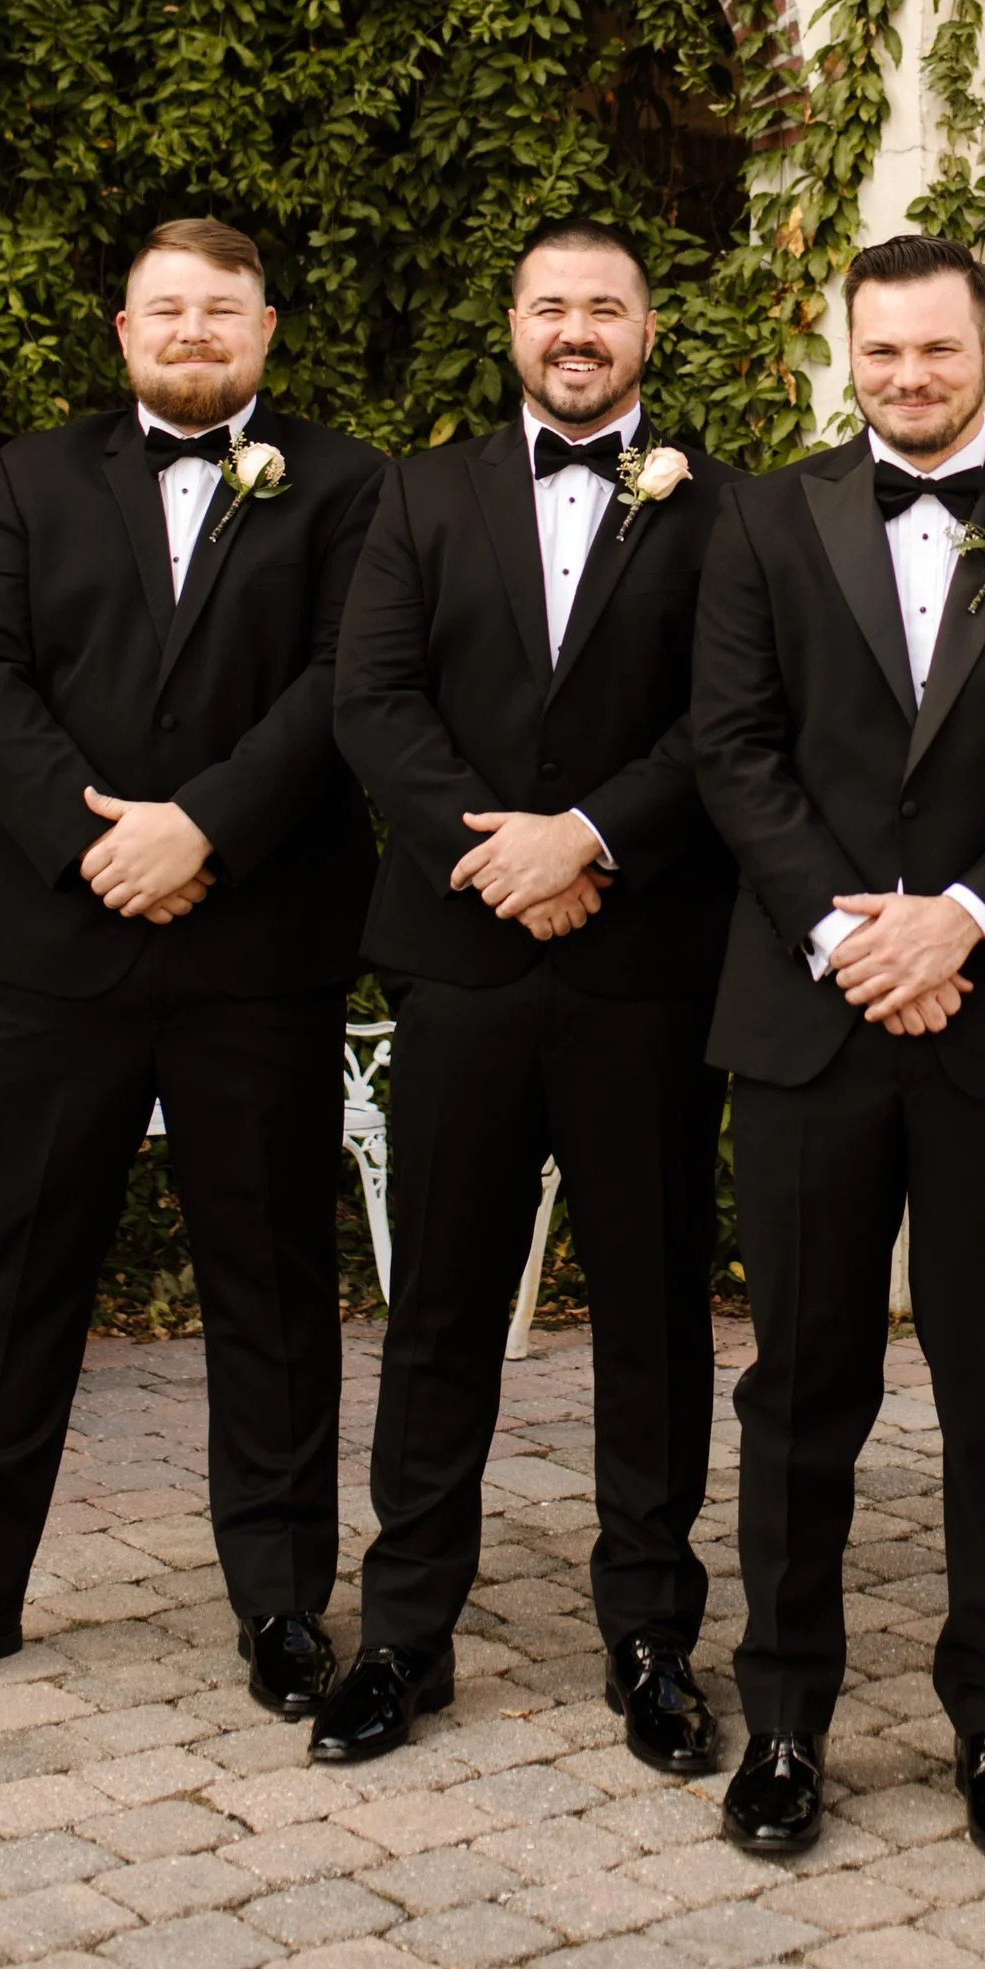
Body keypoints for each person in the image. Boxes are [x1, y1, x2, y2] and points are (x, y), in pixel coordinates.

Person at [0, 220, 382, 1716]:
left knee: (269, 1277)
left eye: (222, 308)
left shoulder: (348, 483)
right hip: (59, 946)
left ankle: (278, 1600)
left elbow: (348, 681)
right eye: (166, 308)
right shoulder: (31, 474)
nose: (194, 331)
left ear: (267, 327)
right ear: (124, 328)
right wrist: (98, 844)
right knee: (17, 1272)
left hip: (258, 942)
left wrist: (204, 825)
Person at [690, 234, 985, 1865]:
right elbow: (732, 747)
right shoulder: (760, 517)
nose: (907, 377)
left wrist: (959, 920)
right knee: (798, 1386)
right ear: (851, 350)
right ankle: (784, 1722)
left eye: (935, 351)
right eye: (880, 352)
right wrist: (850, 934)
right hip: (808, 1017)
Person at [313, 220, 735, 1767]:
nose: (577, 329)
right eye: (550, 304)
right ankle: (406, 1632)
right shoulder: (420, 494)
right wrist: (499, 858)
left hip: (644, 971)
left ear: (646, 327)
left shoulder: (724, 511)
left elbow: (726, 720)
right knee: (439, 1306)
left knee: (652, 1312)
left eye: (604, 308)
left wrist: (592, 836)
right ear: (511, 322)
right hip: (468, 961)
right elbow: (373, 695)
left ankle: (651, 1635)